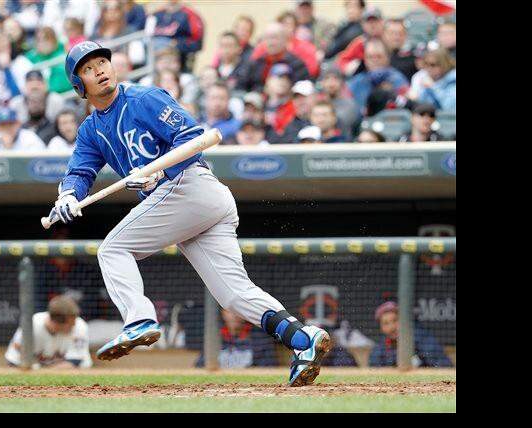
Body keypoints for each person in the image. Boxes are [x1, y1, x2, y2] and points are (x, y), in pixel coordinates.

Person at [50, 41, 334, 386]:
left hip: (190, 185)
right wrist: (67, 195)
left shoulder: (143, 98)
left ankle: (139, 319)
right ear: (79, 84)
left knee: (113, 249)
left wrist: (160, 170)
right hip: (193, 206)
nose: (99, 70)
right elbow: (80, 171)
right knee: (233, 295)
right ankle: (302, 339)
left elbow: (191, 135)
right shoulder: (91, 130)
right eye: (88, 69)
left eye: (101, 63)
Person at [5, 295, 92, 369]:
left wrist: (42, 372)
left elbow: (74, 362)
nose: (74, 325)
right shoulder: (32, 325)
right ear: (55, 323)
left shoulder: (80, 326)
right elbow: (14, 356)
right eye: (70, 323)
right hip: (34, 370)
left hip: (69, 375)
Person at [369, 301, 452, 367]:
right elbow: (373, 371)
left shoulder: (421, 338)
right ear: (381, 328)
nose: (392, 327)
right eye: (386, 323)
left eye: (395, 320)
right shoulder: (380, 347)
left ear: (404, 320)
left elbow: (444, 366)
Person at [194, 308, 278, 369]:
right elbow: (200, 366)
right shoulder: (214, 340)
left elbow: (269, 367)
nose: (234, 316)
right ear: (223, 313)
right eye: (230, 311)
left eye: (238, 312)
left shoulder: (260, 340)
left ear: (245, 315)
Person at [239, 22, 310, 92]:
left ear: (285, 40)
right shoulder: (257, 63)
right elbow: (241, 86)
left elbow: (302, 90)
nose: (271, 42)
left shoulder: (297, 64)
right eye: (267, 38)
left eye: (275, 37)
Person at [347, 38, 408, 114]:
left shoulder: (397, 79)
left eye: (379, 56)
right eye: (370, 57)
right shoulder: (356, 82)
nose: (374, 60)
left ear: (387, 58)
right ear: (365, 59)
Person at [149, 0, 203, 69]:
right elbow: (145, 34)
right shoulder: (156, 14)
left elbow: (196, 42)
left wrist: (177, 44)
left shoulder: (189, 15)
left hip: (179, 57)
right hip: (153, 54)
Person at [93, 0, 146, 67]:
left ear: (121, 11)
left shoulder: (130, 31)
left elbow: (137, 58)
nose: (111, 11)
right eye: (107, 8)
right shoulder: (95, 35)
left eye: (116, 8)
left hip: (123, 68)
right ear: (103, 12)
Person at [336, 6, 385, 77]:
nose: (372, 25)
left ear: (382, 22)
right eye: (369, 22)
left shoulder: (388, 39)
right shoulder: (360, 42)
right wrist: (348, 67)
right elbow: (342, 60)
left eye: (375, 21)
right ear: (363, 24)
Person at [23, 26, 71, 94]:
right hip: (44, 97)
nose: (42, 43)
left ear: (53, 40)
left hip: (67, 93)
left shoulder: (63, 51)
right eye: (39, 40)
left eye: (46, 39)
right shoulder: (31, 57)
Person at [320, 64, 359, 138]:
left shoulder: (350, 105)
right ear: (322, 83)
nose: (331, 83)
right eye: (327, 78)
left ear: (342, 82)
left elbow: (342, 122)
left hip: (343, 145)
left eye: (335, 78)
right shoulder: (317, 104)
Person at [418, 47, 455, 111]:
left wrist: (433, 87)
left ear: (444, 64)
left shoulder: (453, 80)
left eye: (433, 65)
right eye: (426, 64)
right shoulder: (425, 78)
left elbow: (449, 108)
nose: (429, 68)